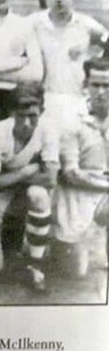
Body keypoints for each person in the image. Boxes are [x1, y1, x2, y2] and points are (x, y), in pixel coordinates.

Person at [0, 84, 58, 292]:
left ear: (41, 112)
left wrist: (13, 180)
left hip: (16, 191)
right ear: (11, 114)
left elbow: (50, 179)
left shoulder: (48, 130)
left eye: (33, 116)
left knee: (39, 195)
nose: (27, 123)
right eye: (21, 116)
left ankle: (35, 266)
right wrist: (27, 171)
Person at [52, 59, 109, 278]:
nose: (102, 92)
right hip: (77, 194)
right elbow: (70, 174)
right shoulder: (71, 120)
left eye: (107, 85)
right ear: (85, 84)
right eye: (96, 85)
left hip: (104, 192)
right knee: (74, 273)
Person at [28, 0, 109, 129]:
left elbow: (107, 40)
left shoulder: (85, 24)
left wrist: (92, 55)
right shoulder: (34, 22)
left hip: (77, 97)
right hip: (45, 96)